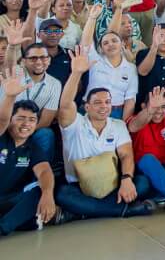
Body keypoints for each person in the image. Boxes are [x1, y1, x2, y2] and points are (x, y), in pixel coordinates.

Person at [55, 46, 154, 219]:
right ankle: (124, 210)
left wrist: (126, 179)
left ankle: (83, 213)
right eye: (98, 103)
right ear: (87, 106)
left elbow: (126, 156)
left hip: (112, 184)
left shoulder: (118, 125)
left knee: (142, 183)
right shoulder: (75, 123)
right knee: (62, 194)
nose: (104, 106)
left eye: (107, 102)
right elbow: (64, 105)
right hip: (80, 186)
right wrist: (76, 73)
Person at [0, 74, 58, 236]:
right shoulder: (2, 136)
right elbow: (2, 120)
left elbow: (44, 171)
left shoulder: (32, 146)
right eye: (21, 118)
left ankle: (3, 227)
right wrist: (10, 96)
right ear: (11, 119)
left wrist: (48, 194)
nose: (26, 124)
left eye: (32, 120)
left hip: (10, 200)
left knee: (41, 190)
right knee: (29, 222)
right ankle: (20, 222)